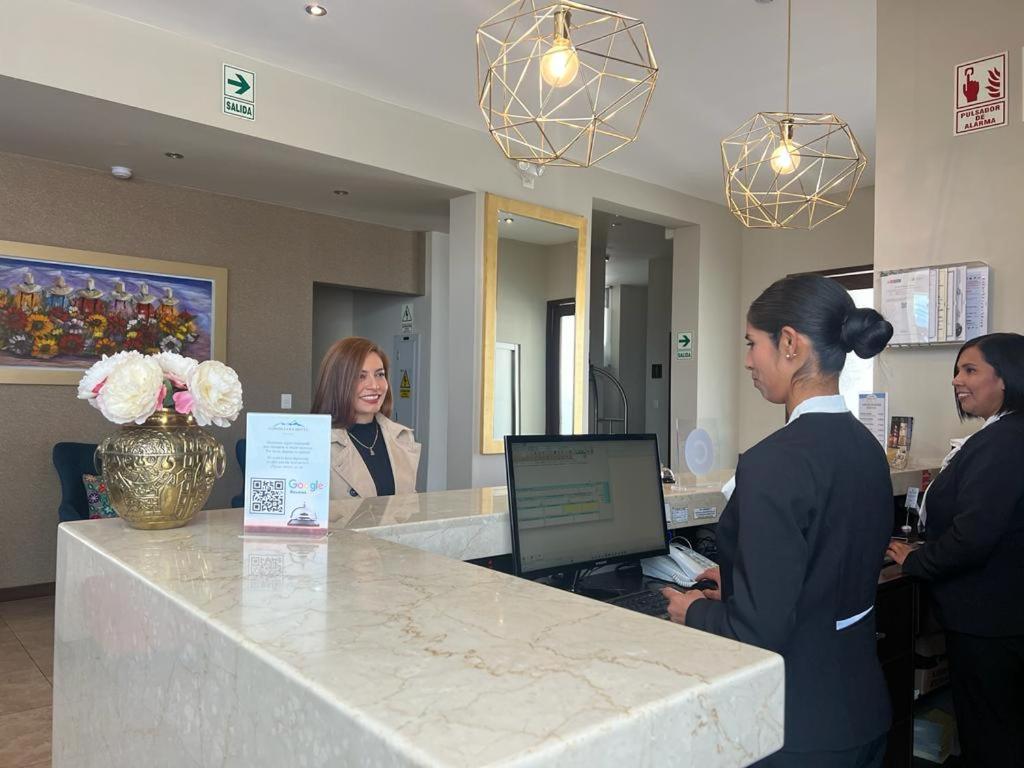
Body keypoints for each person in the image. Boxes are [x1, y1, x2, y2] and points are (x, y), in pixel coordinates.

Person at [663, 274, 895, 767]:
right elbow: (829, 566)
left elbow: (756, 632)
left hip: (794, 727)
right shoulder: (866, 447)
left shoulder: (773, 462)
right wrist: (743, 580)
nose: (747, 360)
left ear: (789, 343)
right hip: (861, 711)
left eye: (752, 343)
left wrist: (693, 611)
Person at [887, 333, 1024, 768]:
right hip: (1001, 615)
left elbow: (973, 538)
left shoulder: (1004, 441)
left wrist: (916, 560)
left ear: (1006, 379)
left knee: (991, 735)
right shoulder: (1003, 434)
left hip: (991, 622)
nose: (956, 381)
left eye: (970, 370)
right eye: (957, 371)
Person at [312, 336, 420, 499]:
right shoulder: (314, 443)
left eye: (379, 374)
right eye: (360, 376)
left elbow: (408, 510)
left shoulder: (403, 437)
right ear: (338, 382)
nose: (375, 386)